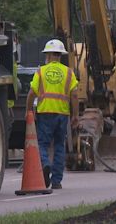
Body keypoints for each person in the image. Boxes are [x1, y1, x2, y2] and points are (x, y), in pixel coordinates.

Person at [25, 39, 79, 189]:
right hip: (62, 114)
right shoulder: (69, 72)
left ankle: (45, 164)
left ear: (48, 55)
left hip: (45, 113)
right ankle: (56, 181)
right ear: (60, 55)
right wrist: (75, 115)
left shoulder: (41, 71)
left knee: (42, 144)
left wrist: (29, 110)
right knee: (60, 146)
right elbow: (74, 95)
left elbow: (31, 93)